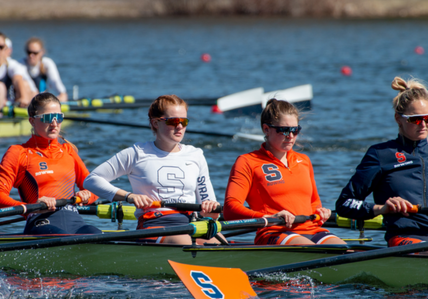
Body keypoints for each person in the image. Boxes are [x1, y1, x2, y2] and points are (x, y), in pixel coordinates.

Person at [84, 95, 222, 245]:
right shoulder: (137, 153)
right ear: (155, 123)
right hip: (154, 224)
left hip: (190, 223)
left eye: (184, 121)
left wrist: (211, 210)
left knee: (220, 243)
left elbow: (209, 205)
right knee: (185, 242)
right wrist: (129, 196)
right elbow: (92, 180)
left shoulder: (196, 155)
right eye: (174, 121)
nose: (180, 126)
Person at [223, 99, 345, 245]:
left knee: (345, 251)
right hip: (274, 231)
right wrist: (269, 217)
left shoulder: (304, 160)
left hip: (311, 229)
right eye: (284, 130)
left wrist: (320, 212)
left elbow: (313, 202)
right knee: (313, 252)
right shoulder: (247, 162)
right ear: (266, 129)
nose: (291, 136)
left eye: (295, 130)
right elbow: (230, 209)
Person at [0, 92, 100, 235]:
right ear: (32, 121)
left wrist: (87, 195)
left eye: (58, 117)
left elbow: (95, 189)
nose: (54, 124)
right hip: (40, 222)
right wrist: (31, 206)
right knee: (62, 238)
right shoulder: (19, 152)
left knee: (96, 233)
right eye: (48, 118)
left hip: (75, 222)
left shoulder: (68, 151)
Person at [336, 77, 428, 247]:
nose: (423, 124)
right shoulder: (381, 154)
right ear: (398, 118)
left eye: (427, 118)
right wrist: (381, 208)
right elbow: (344, 203)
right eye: (415, 119)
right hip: (406, 236)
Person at [0, 31, 37, 108]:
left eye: (0, 47)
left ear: (5, 48)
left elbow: (17, 79)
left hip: (11, 103)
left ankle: (25, 110)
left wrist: (24, 97)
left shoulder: (12, 64)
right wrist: (1, 99)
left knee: (25, 84)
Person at [20, 37, 67, 101]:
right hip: (28, 99)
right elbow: (32, 89)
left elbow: (56, 82)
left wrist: (62, 94)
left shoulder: (47, 63)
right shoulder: (20, 64)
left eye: (35, 53)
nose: (31, 56)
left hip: (42, 100)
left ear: (42, 52)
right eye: (29, 52)